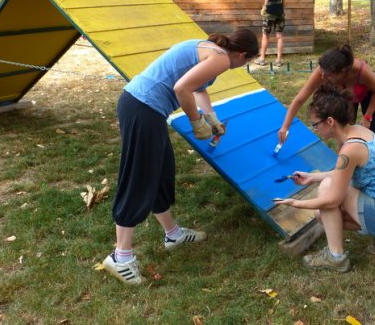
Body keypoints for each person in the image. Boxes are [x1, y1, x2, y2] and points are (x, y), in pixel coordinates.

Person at [103, 29, 259, 285]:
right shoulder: (220, 58)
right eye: (247, 61)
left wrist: (211, 118)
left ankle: (172, 234)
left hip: (145, 109)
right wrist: (196, 122)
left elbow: (198, 89)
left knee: (162, 171)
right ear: (242, 55)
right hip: (142, 108)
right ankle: (121, 256)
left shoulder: (210, 49)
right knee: (139, 178)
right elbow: (182, 87)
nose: (244, 65)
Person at [274, 84, 375, 272]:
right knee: (322, 214)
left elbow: (333, 198)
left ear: (330, 122)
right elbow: (344, 174)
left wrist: (296, 203)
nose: (315, 129)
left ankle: (336, 258)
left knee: (327, 190)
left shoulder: (350, 149)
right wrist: (312, 177)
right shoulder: (359, 131)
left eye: (316, 124)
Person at [278, 44, 375, 151]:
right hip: (347, 96)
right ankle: (342, 163)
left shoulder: (362, 72)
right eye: (322, 72)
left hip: (371, 94)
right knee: (342, 129)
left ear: (342, 72)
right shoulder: (323, 71)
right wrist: (285, 127)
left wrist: (368, 116)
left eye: (327, 75)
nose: (323, 77)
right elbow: (299, 99)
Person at [253, 0, 285, 67]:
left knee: (265, 35)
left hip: (270, 11)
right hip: (280, 11)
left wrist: (264, 6)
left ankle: (262, 58)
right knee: (279, 36)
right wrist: (282, 9)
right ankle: (279, 60)